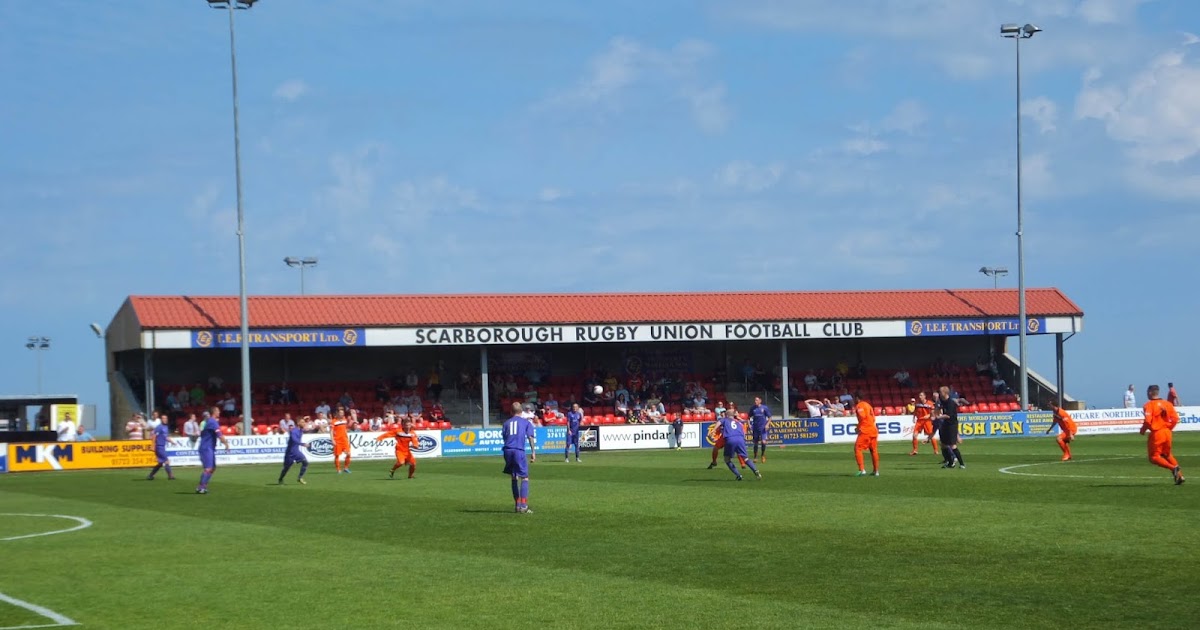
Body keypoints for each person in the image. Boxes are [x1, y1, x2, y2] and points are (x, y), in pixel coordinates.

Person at [1140, 385, 1184, 485]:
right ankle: (1180, 476)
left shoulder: (1149, 405)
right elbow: (1175, 419)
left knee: (1154, 457)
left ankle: (1173, 468)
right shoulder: (1168, 404)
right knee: (1167, 455)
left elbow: (1147, 421)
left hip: (1157, 433)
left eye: (1147, 392)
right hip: (1167, 433)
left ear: (1151, 392)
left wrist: (1142, 430)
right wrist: (1169, 428)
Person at [502, 402, 537, 514]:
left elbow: (504, 437)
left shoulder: (506, 423)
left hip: (507, 450)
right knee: (524, 477)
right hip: (518, 450)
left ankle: (517, 505)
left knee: (514, 477)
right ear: (521, 412)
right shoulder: (526, 422)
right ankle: (523, 506)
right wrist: (533, 452)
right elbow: (530, 437)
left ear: (511, 412)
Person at [713, 410, 761, 481]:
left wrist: (713, 430)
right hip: (740, 439)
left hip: (730, 439)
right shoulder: (738, 422)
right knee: (745, 458)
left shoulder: (725, 419)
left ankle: (738, 475)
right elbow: (743, 432)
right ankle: (755, 470)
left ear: (726, 415)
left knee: (727, 459)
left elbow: (719, 422)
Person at [196, 406, 230, 494]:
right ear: (214, 412)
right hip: (206, 448)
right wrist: (226, 443)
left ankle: (202, 485)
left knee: (213, 468)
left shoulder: (211, 421)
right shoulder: (212, 422)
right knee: (208, 468)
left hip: (209, 448)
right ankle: (201, 487)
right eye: (218, 411)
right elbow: (219, 435)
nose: (219, 412)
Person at [936, 386, 965, 469]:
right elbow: (937, 406)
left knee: (952, 445)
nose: (939, 393)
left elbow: (948, 415)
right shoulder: (942, 401)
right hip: (945, 424)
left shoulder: (951, 403)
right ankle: (950, 462)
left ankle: (962, 464)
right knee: (943, 445)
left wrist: (938, 417)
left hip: (952, 425)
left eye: (940, 392)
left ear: (945, 393)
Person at [852, 392, 879, 477]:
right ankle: (876, 471)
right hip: (873, 430)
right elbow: (873, 419)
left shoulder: (860, 406)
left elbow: (863, 417)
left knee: (857, 448)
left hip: (865, 431)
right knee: (873, 450)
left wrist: (858, 427)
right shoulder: (868, 405)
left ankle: (862, 470)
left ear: (857, 398)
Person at [277, 419, 309, 485]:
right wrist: (303, 444)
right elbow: (294, 440)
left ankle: (300, 478)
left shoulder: (300, 430)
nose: (304, 423)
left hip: (296, 451)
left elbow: (306, 428)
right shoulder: (293, 431)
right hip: (290, 453)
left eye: (304, 422)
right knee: (286, 468)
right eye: (302, 422)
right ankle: (280, 479)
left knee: (305, 462)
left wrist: (307, 420)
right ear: (298, 423)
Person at [749, 396, 771, 463]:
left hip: (763, 428)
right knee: (755, 443)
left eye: (757, 400)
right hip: (755, 428)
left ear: (760, 401)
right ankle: (755, 457)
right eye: (755, 400)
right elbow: (748, 417)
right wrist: (749, 424)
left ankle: (763, 455)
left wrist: (767, 424)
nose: (755, 401)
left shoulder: (764, 408)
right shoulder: (753, 408)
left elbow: (770, 417)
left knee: (763, 442)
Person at [331, 409, 353, 474]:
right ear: (337, 413)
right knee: (337, 455)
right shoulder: (333, 421)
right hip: (337, 440)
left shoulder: (344, 420)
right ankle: (338, 469)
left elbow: (345, 429)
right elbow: (331, 431)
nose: (342, 414)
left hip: (345, 440)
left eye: (343, 413)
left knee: (348, 454)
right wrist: (332, 440)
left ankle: (346, 468)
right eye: (340, 413)